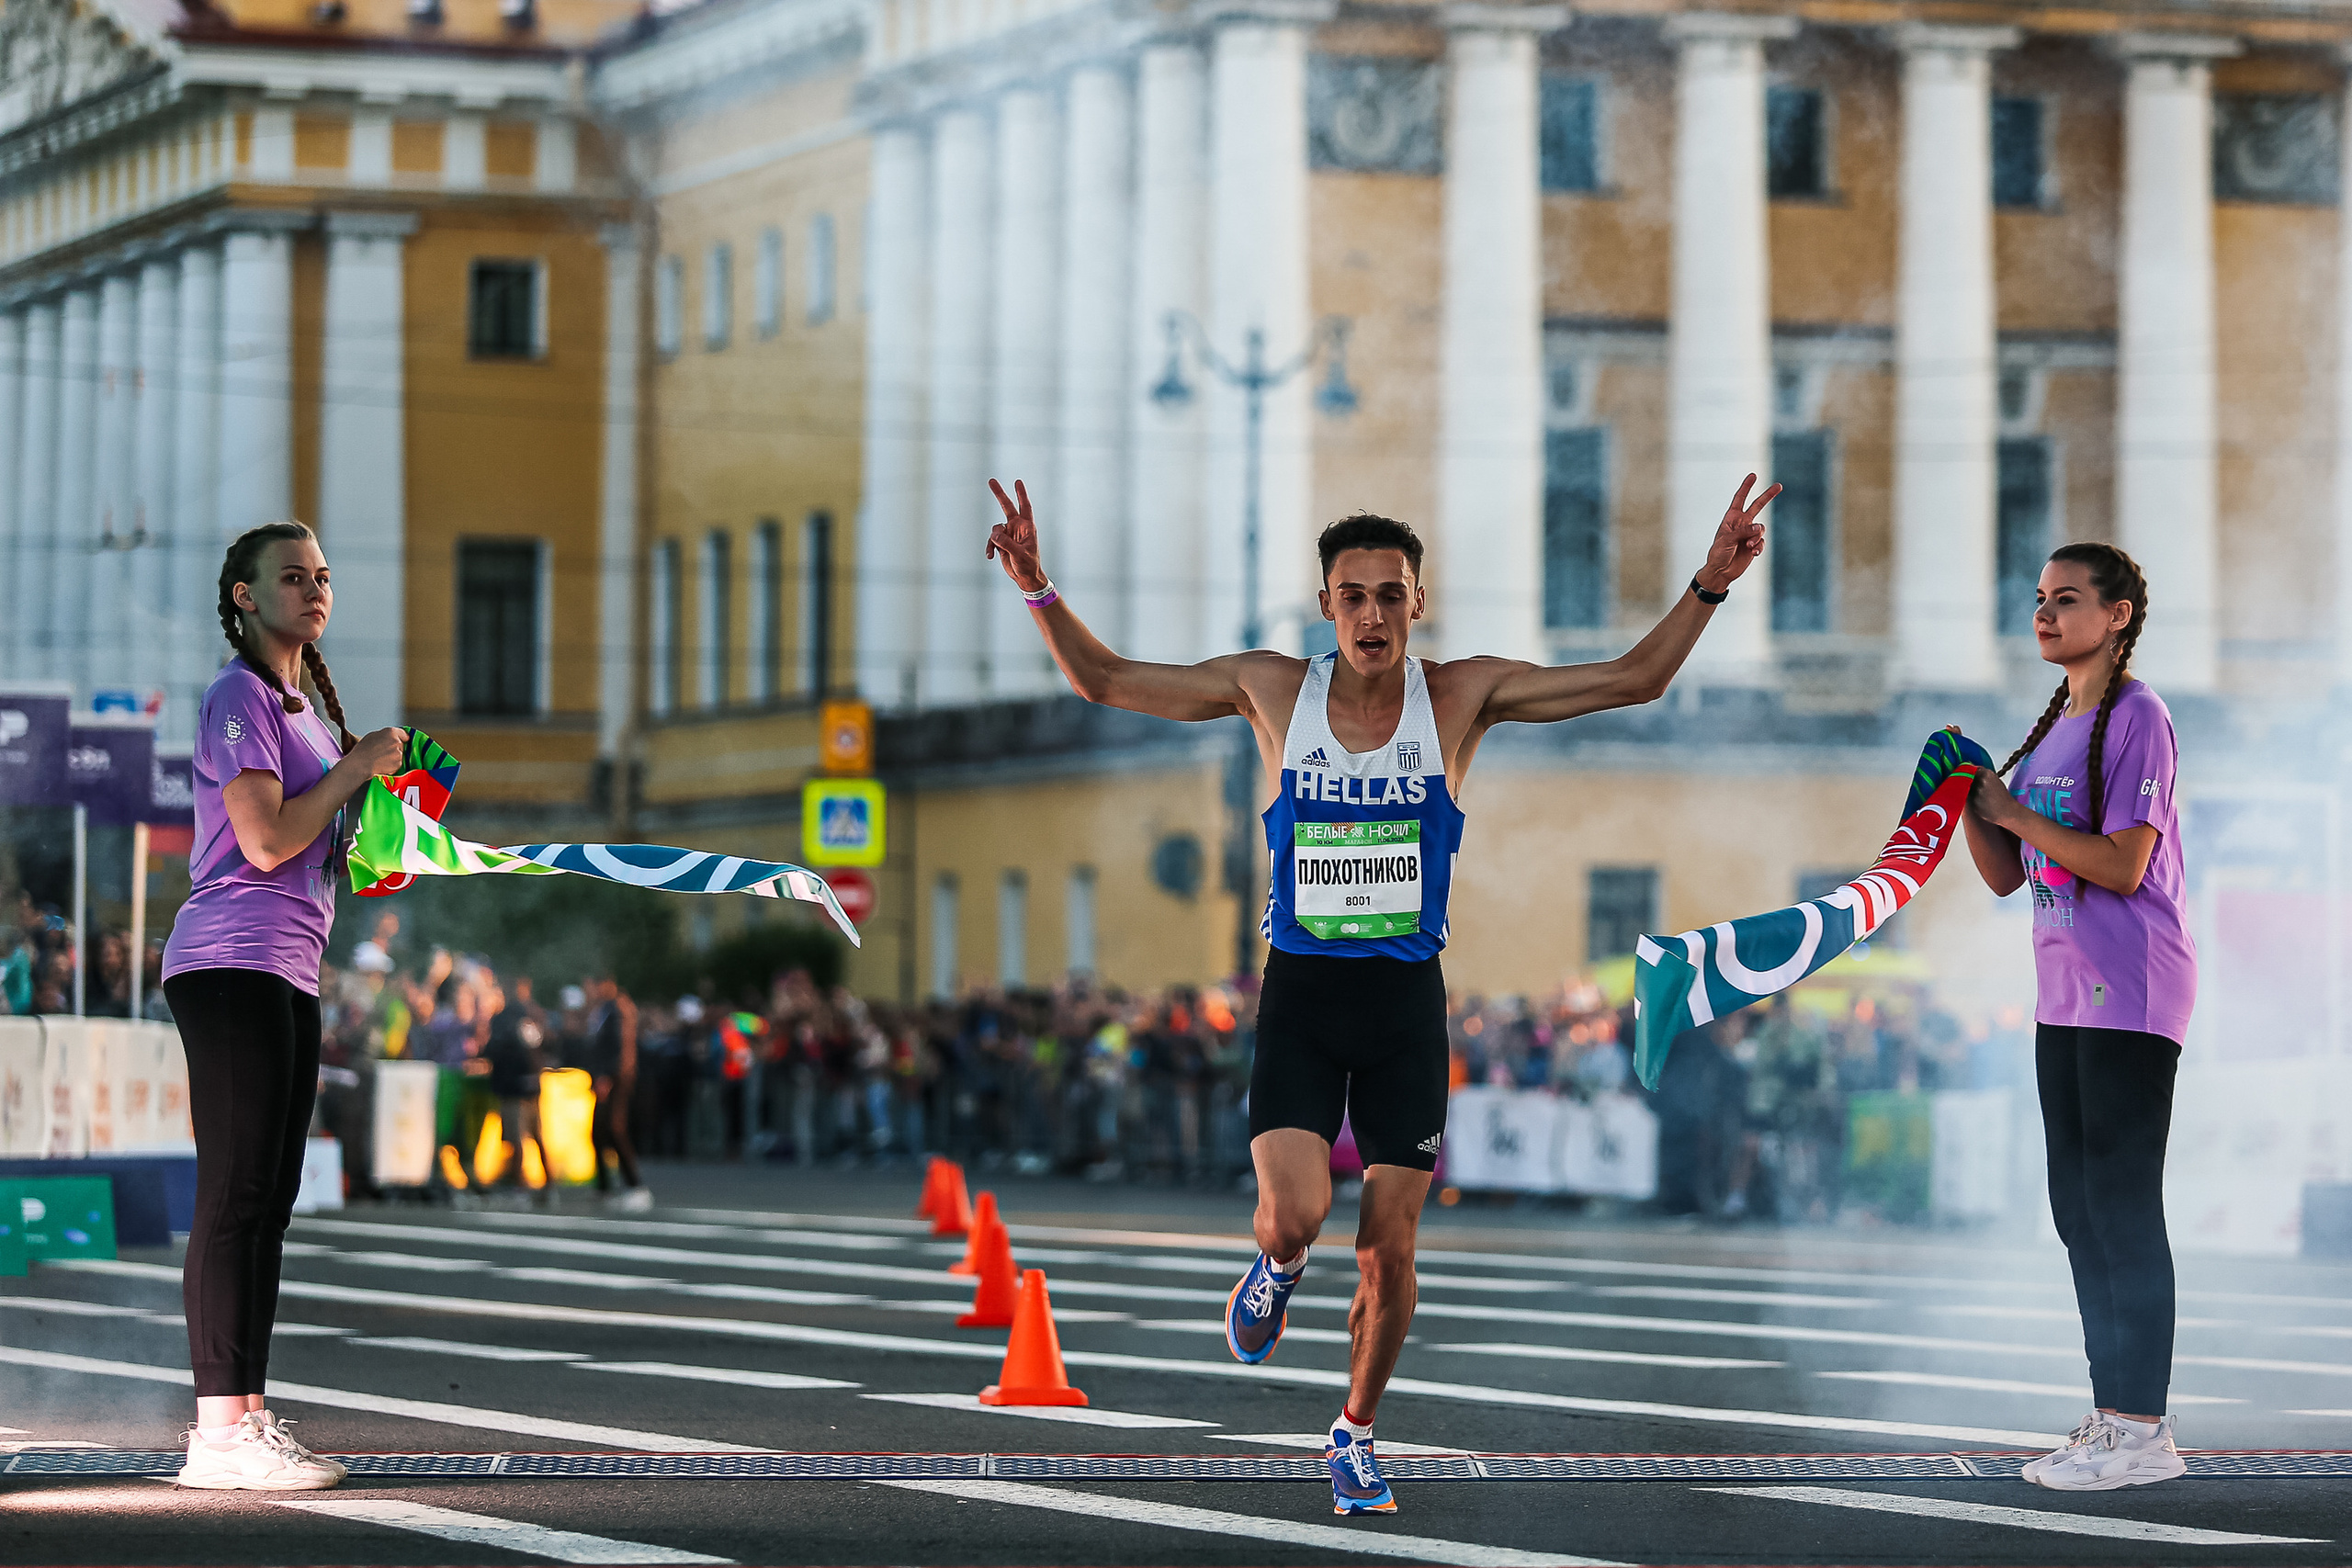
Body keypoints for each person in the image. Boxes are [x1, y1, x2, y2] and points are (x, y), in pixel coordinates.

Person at [985, 470, 1778, 1515]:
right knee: (1295, 1220)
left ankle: (1355, 1432)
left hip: (1406, 1006)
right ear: (1326, 606)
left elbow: (1633, 679)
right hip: (1305, 999)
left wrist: (1708, 587)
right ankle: (1272, 1272)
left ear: (1418, 601)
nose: (1372, 613)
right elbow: (1108, 682)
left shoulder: (1460, 696)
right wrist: (1040, 589)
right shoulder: (1272, 690)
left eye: (1390, 593)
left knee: (1390, 1249)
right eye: (1352, 595)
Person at [161, 519, 405, 1491]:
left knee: (267, 1203)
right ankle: (218, 1433)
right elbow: (263, 844)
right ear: (244, 598)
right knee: (234, 1197)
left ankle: (246, 1416)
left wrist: (392, 818)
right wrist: (353, 770)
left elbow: (325, 852)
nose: (314, 590)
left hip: (288, 968)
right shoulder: (240, 696)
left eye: (323, 577)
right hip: (230, 964)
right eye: (292, 577)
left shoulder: (305, 708)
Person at [1959, 542, 2195, 1492]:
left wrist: (2014, 815)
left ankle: (2142, 1429)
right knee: (2075, 1211)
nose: (2045, 615)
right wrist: (1971, 803)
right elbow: (2008, 877)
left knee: (2121, 1206)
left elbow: (2122, 866)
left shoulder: (2140, 715)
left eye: (2067, 600)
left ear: (2119, 615)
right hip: (2061, 990)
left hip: (2132, 987)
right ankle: (2109, 1417)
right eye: (2039, 600)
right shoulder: (2055, 724)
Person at [583, 972, 650, 1210]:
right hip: (607, 1077)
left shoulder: (617, 1008)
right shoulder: (602, 1010)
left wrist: (606, 1076)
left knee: (614, 1128)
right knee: (598, 1132)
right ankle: (603, 1188)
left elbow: (620, 1048)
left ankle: (636, 1186)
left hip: (615, 1078)